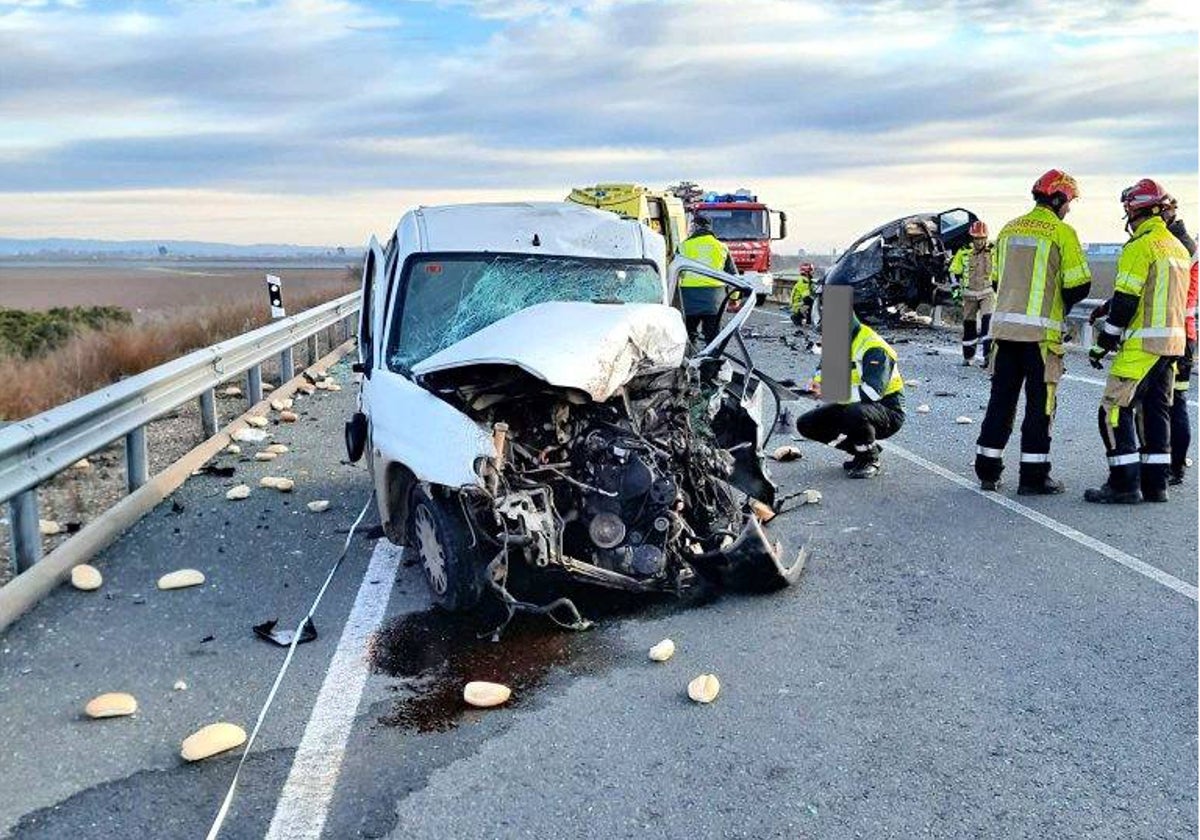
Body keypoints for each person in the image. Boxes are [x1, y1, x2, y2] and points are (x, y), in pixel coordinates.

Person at [974, 169, 1091, 494]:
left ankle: (988, 471)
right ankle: (1034, 478)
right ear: (1057, 199)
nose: (1069, 208)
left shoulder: (1009, 229)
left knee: (1001, 403)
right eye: (1068, 202)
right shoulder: (1062, 232)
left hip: (1004, 332)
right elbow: (1079, 285)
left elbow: (997, 281)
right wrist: (1057, 304)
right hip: (1040, 338)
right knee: (1040, 408)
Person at [1084, 179, 1190, 503]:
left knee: (1113, 410)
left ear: (1133, 210)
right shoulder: (1178, 248)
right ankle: (1156, 485)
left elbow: (1128, 301)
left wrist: (1103, 342)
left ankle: (1124, 484)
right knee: (1156, 412)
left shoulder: (1139, 247)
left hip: (1143, 346)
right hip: (1173, 345)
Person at [795, 311, 905, 479]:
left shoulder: (875, 347)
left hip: (887, 410)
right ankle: (863, 449)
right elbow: (824, 370)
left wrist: (832, 392)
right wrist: (817, 383)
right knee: (806, 424)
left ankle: (870, 459)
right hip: (854, 403)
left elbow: (873, 392)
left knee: (855, 413)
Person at [1162, 195, 1198, 485]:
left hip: (1171, 335)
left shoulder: (1174, 245)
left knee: (1168, 403)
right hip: (1185, 334)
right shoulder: (1187, 243)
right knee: (1177, 401)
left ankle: (1170, 466)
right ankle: (1174, 466)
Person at [678, 215, 737, 345]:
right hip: (715, 299)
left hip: (689, 299)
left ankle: (689, 359)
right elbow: (732, 275)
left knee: (688, 333)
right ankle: (711, 361)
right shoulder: (721, 247)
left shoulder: (683, 246)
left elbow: (675, 273)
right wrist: (734, 298)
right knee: (713, 336)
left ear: (695, 227)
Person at [948, 220, 995, 367]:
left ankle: (988, 357)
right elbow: (953, 271)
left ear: (986, 238)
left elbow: (1002, 270)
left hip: (987, 293)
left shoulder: (994, 251)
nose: (979, 241)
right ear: (971, 238)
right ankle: (968, 356)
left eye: (981, 238)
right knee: (969, 326)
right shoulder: (963, 252)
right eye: (976, 238)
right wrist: (955, 287)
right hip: (969, 294)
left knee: (988, 325)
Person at [790, 262, 815, 326]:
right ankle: (799, 317)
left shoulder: (807, 280)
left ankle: (806, 319)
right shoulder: (803, 281)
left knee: (811, 301)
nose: (813, 272)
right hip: (798, 305)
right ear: (807, 272)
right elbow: (806, 296)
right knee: (810, 302)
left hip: (799, 304)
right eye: (811, 270)